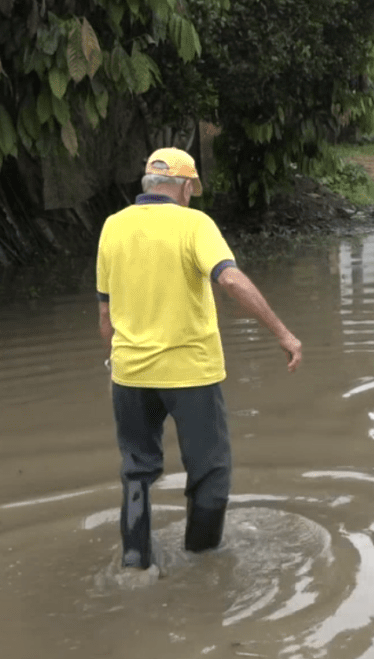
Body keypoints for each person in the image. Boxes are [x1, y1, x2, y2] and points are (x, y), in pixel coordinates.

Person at [96, 147, 303, 572]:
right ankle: (202, 562)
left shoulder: (112, 227)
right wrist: (282, 332)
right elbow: (228, 277)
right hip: (190, 374)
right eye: (192, 190)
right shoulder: (194, 224)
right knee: (211, 472)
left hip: (130, 375)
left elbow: (105, 313)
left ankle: (134, 566)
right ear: (185, 187)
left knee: (136, 472)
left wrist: (117, 365)